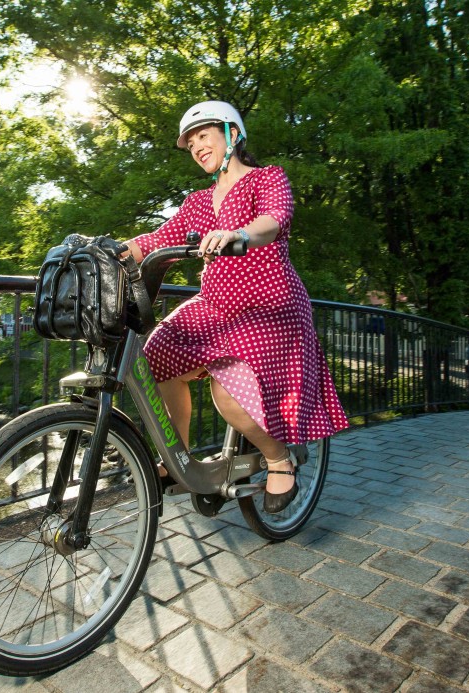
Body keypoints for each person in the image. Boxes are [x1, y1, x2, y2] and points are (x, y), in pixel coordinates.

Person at [124, 100, 350, 513]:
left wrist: (238, 234)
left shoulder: (267, 179)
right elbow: (158, 239)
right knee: (151, 359)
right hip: (216, 306)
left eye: (203, 135)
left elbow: (274, 219)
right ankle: (179, 457)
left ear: (232, 134)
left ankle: (278, 459)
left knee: (228, 394)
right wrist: (116, 250)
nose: (195, 147)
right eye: (190, 142)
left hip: (269, 305)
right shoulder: (197, 202)